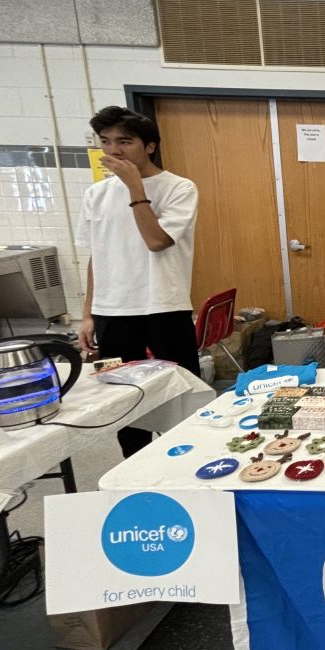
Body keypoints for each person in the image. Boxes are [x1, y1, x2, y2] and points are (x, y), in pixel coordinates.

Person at [75, 106, 199, 457]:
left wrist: (134, 188)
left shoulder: (179, 188)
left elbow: (156, 242)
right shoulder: (94, 195)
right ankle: (135, 471)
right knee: (123, 401)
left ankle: (186, 464)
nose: (114, 150)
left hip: (164, 305)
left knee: (180, 396)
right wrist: (87, 314)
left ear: (149, 147)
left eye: (125, 141)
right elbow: (96, 256)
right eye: (106, 142)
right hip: (112, 310)